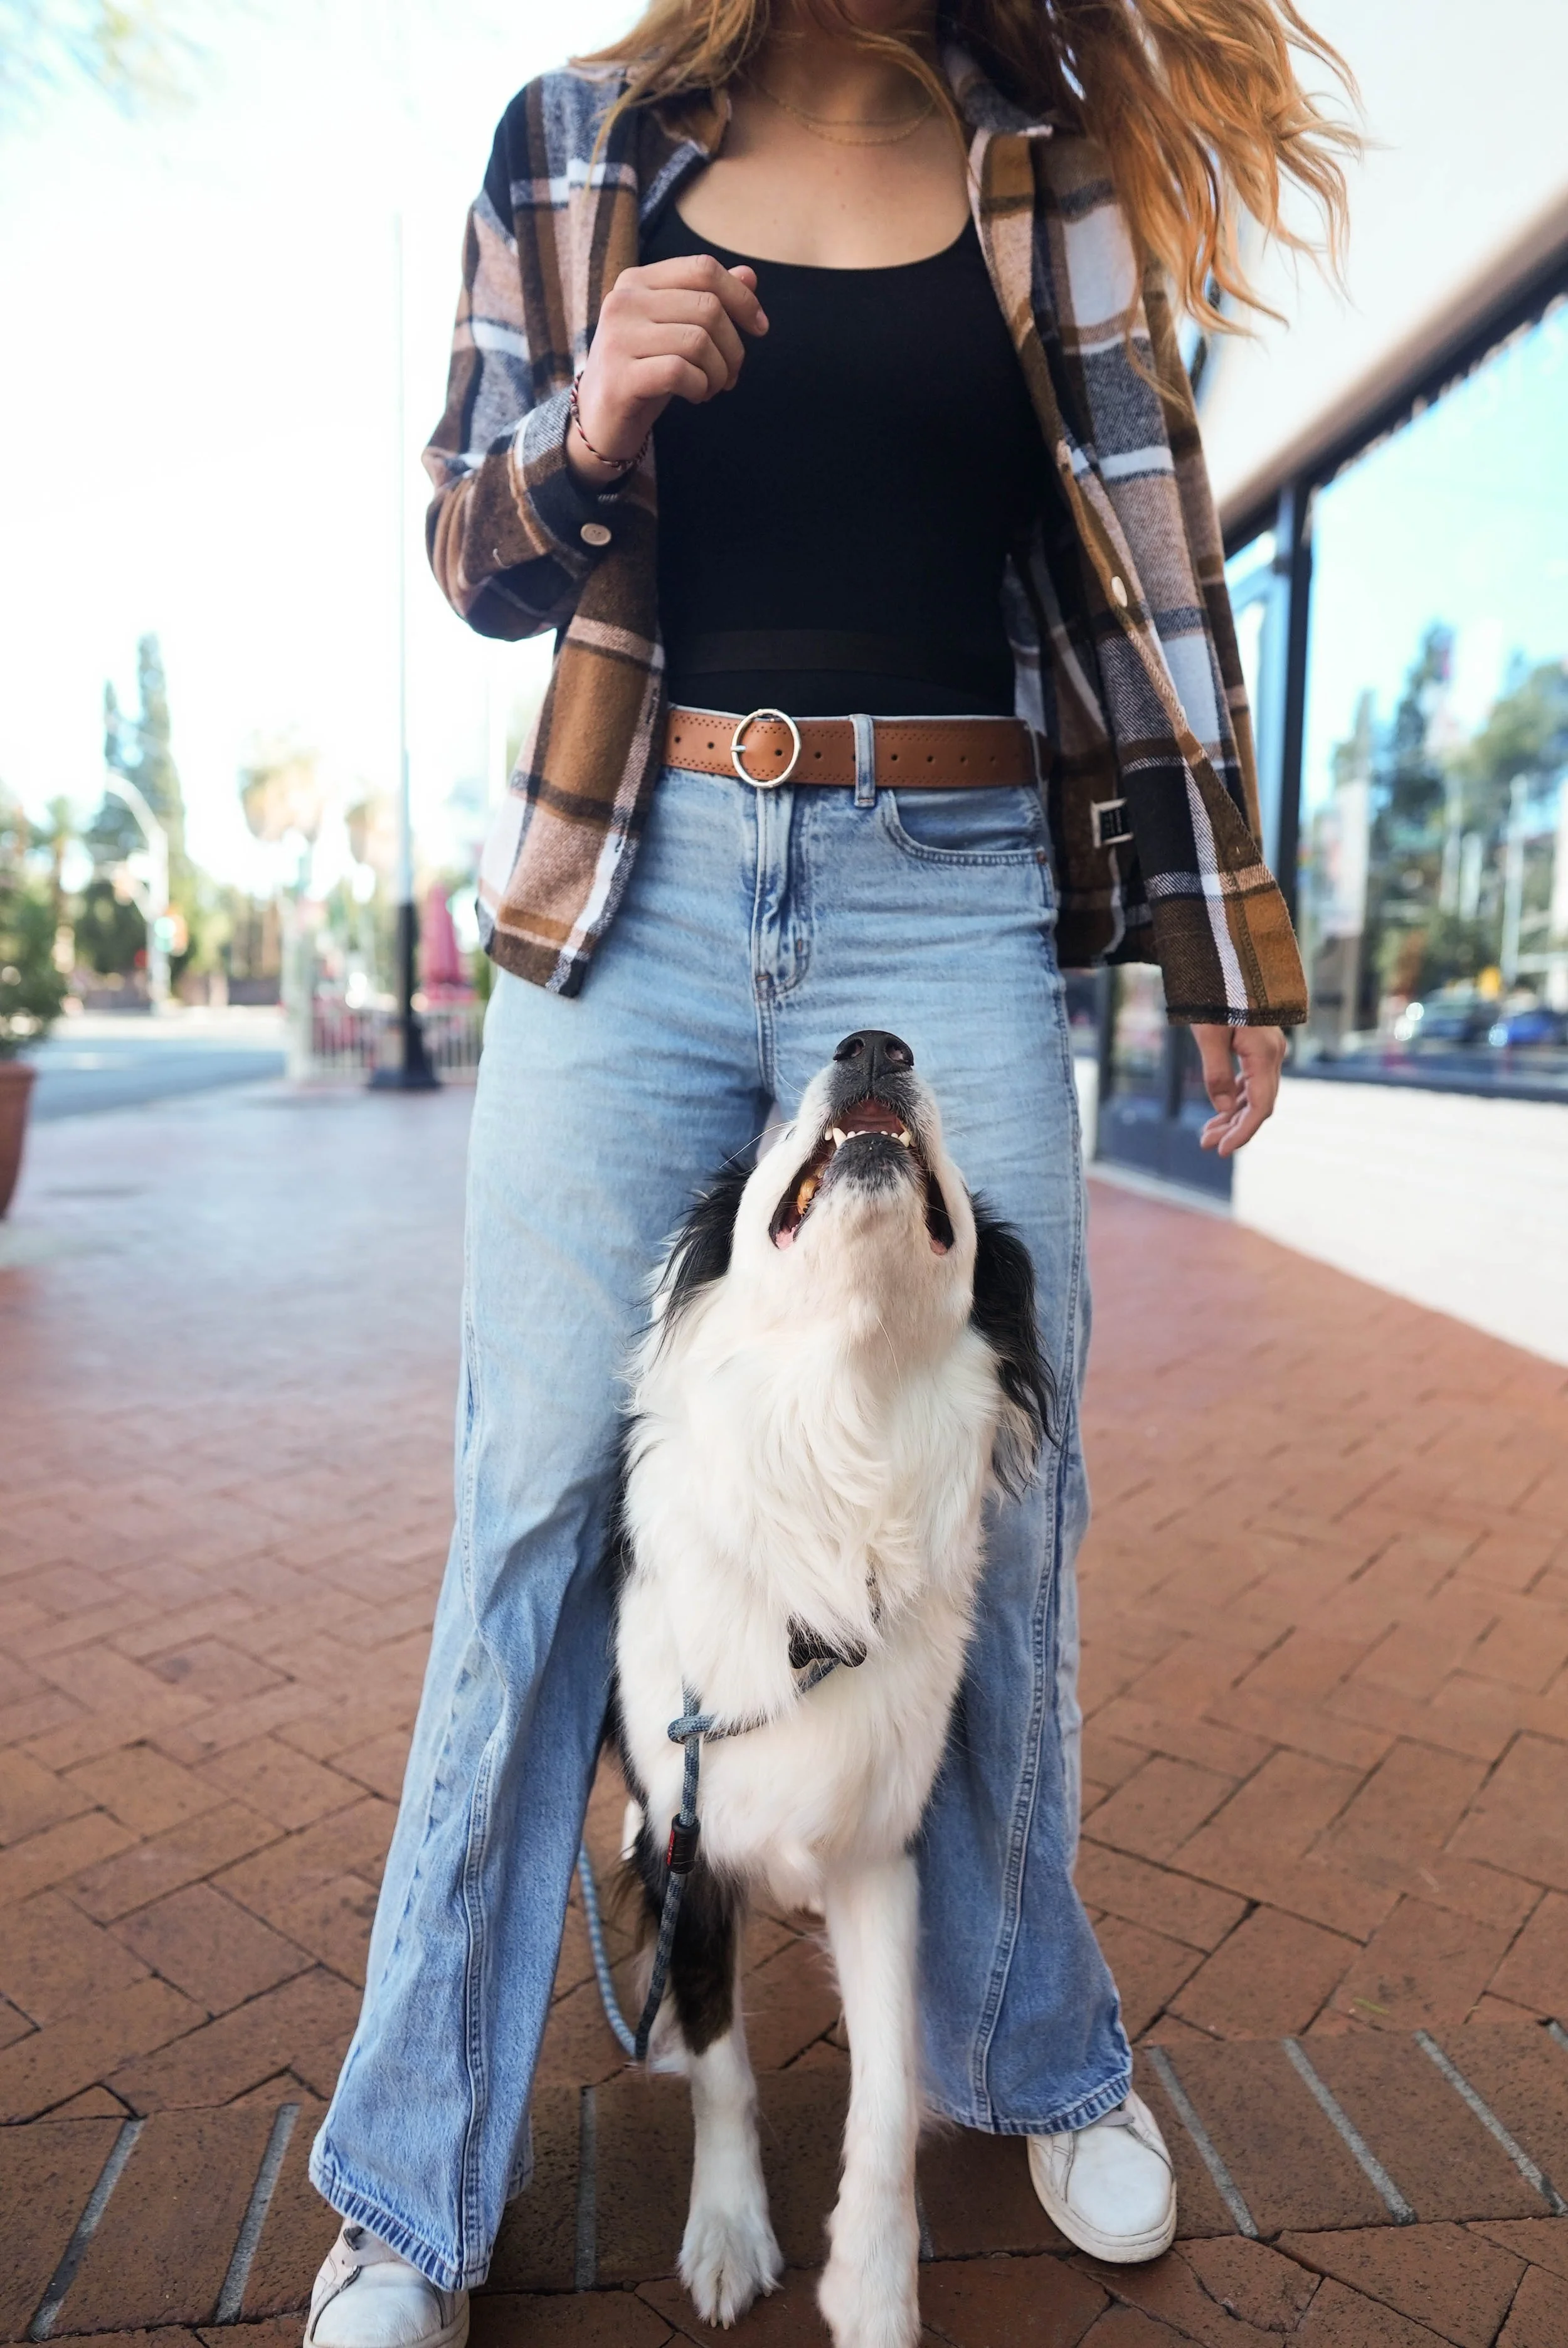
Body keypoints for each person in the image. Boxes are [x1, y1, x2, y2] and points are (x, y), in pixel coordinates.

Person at [304, 3, 1353, 2339]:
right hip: (643, 870)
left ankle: (1027, 2045)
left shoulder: (1048, 173)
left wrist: (1224, 944)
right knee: (538, 1497)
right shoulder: (577, 148)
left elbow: (1163, 581)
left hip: (949, 871)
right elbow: (473, 548)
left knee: (1004, 1485)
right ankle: (410, 2180)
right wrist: (593, 414)